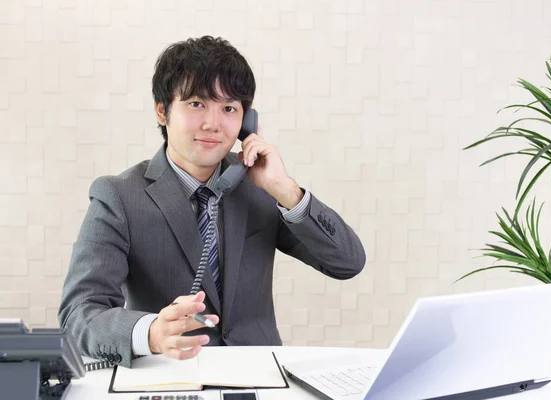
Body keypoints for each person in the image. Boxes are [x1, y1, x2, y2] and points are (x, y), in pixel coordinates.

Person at [58, 36, 365, 368]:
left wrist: (285, 190)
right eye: (196, 104)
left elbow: (347, 263)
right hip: (171, 378)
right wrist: (151, 333)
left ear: (247, 122)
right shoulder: (118, 196)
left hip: (259, 376)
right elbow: (79, 315)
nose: (213, 124)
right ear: (162, 111)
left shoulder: (260, 186)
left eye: (229, 108)